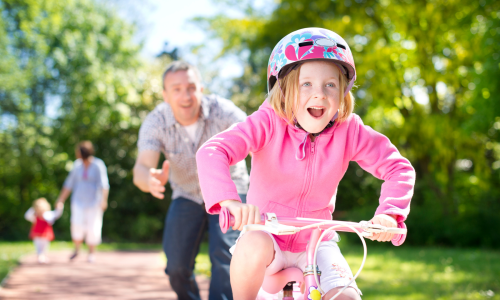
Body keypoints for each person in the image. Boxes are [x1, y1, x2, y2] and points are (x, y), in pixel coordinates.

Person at [196, 27, 416, 300]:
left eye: (330, 85)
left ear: (343, 92)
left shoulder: (350, 131)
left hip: (316, 240)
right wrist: (229, 202)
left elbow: (398, 168)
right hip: (268, 238)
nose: (319, 94)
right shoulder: (267, 122)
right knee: (253, 242)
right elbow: (213, 151)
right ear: (285, 90)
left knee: (347, 296)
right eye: (306, 84)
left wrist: (390, 214)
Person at [133, 61, 249, 300]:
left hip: (230, 192)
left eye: (191, 87)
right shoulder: (155, 122)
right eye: (176, 89)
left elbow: (261, 137)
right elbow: (142, 168)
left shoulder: (224, 111)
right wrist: (150, 180)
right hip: (186, 193)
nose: (185, 96)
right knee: (176, 267)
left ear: (201, 89)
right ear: (165, 95)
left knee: (226, 257)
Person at [55, 141, 109, 263]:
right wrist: (60, 200)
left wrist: (104, 201)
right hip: (78, 201)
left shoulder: (98, 165)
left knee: (93, 227)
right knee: (76, 225)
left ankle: (91, 253)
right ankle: (77, 249)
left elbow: (104, 185)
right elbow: (68, 184)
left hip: (94, 202)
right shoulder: (76, 165)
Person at [24, 198, 64, 263]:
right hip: (37, 234)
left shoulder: (47, 215)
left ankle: (43, 256)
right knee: (38, 247)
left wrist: (60, 208)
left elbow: (56, 214)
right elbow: (27, 216)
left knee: (45, 247)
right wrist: (33, 209)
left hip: (46, 234)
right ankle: (40, 256)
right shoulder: (35, 216)